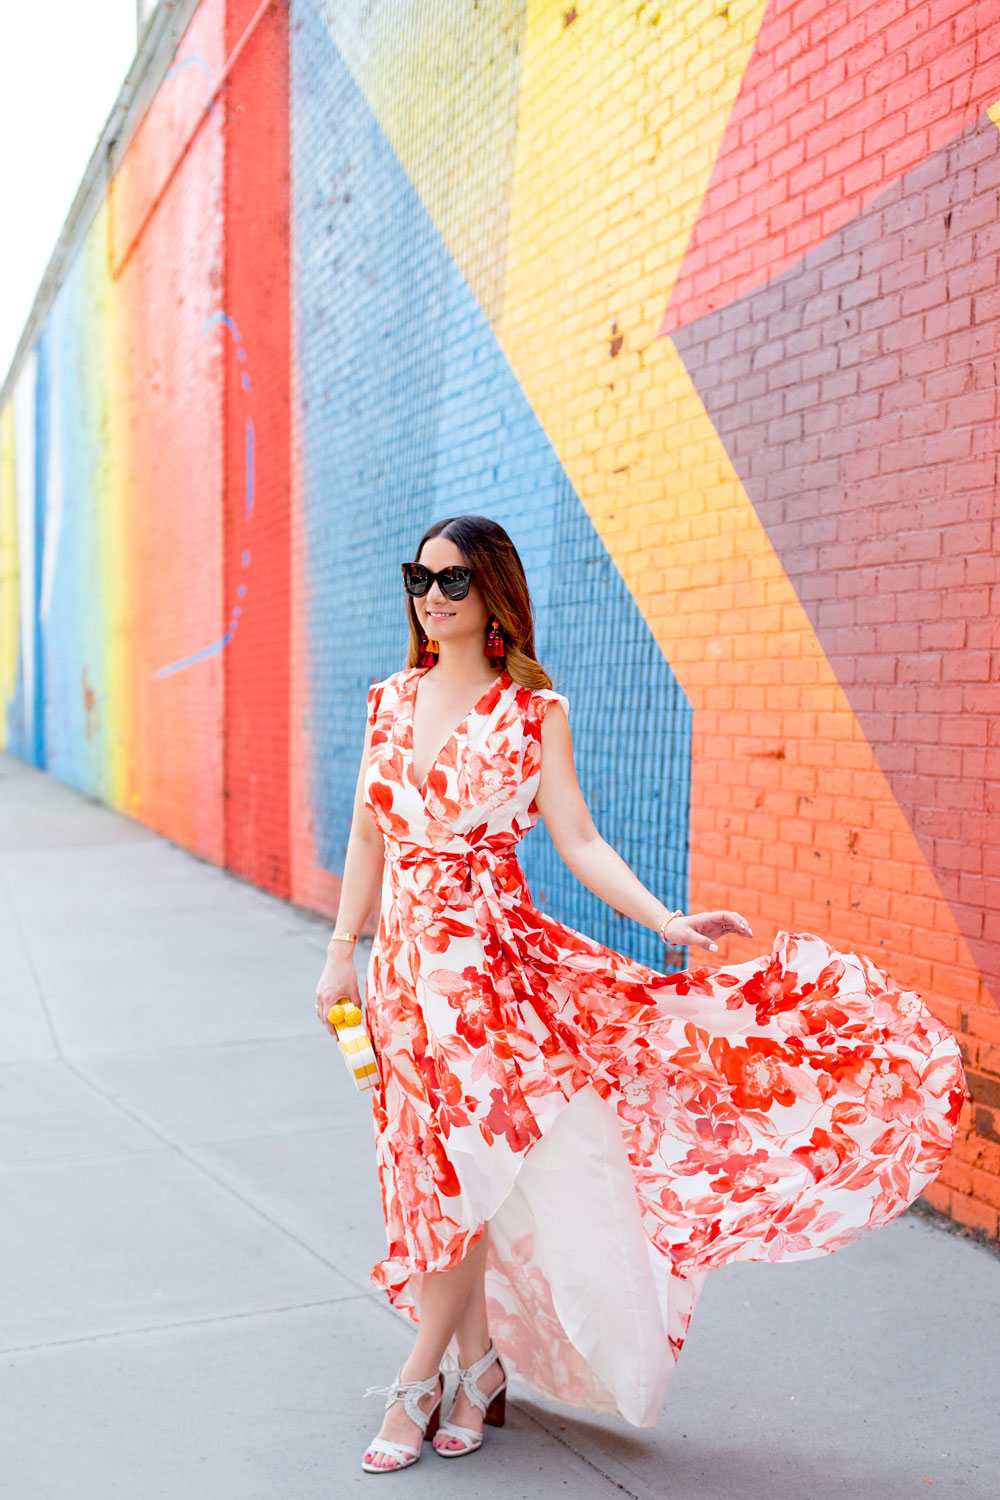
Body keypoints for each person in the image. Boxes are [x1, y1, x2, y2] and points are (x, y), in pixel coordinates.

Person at [315, 514, 965, 1475]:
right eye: (420, 577)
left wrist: (666, 923)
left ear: (495, 594)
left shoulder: (533, 713)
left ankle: (419, 1378)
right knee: (436, 1174)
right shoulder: (385, 703)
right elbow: (371, 838)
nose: (431, 596)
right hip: (402, 978)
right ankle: (481, 1366)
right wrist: (341, 950)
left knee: (459, 1176)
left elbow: (576, 839)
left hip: (495, 978)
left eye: (453, 581)